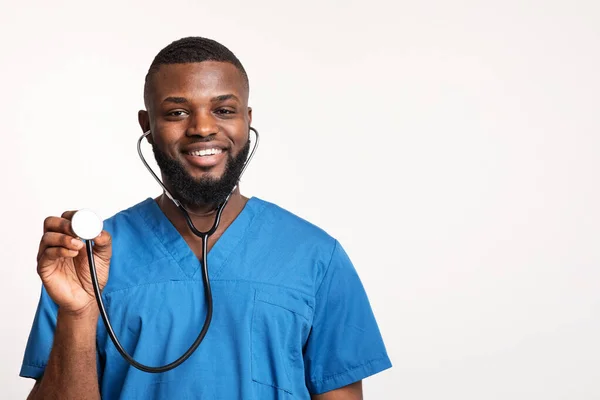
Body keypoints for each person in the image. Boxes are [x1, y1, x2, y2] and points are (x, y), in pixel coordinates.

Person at [20, 37, 391, 400]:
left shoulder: (316, 256)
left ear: (247, 121)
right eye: (177, 112)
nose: (202, 127)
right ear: (146, 126)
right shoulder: (86, 259)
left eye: (224, 110)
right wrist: (79, 312)